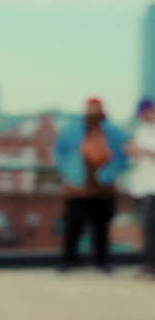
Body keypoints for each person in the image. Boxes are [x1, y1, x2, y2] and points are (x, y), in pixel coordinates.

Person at [54, 96, 129, 272]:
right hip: (77, 187)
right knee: (73, 226)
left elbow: (124, 153)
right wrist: (67, 172)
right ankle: (68, 260)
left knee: (101, 227)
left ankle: (102, 261)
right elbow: (59, 152)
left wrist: (111, 172)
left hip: (103, 187)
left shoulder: (112, 132)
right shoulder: (71, 130)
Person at [125, 97, 155, 277]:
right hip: (144, 186)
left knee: (151, 226)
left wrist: (143, 151)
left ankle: (150, 264)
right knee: (146, 226)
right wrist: (132, 151)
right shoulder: (142, 130)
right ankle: (148, 263)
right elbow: (136, 156)